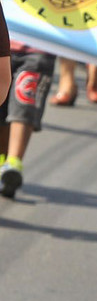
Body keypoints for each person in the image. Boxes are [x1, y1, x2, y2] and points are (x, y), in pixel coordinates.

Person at [0, 39, 45, 198]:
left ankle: (13, 163)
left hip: (38, 47)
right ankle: (2, 163)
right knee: (2, 109)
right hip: (6, 47)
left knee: (23, 103)